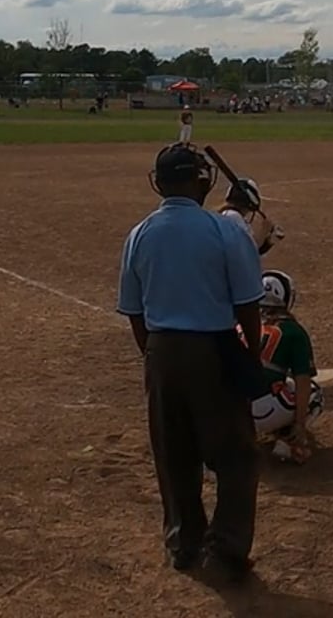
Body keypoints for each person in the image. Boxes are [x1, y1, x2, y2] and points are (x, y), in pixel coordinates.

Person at [116, 144, 266, 581]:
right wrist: (250, 356)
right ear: (202, 182)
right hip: (214, 347)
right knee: (236, 454)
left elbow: (134, 312)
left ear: (159, 183)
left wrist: (154, 355)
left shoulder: (140, 233)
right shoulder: (224, 231)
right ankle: (226, 549)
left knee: (174, 453)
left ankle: (184, 542)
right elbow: (248, 304)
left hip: (161, 350)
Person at [251, 270, 324, 464]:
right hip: (262, 411)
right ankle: (288, 442)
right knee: (314, 393)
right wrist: (300, 424)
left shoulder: (240, 321)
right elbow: (303, 381)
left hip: (229, 409)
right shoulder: (293, 331)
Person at [218, 177, 282, 256]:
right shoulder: (233, 216)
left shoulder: (230, 215)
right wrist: (264, 230)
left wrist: (269, 242)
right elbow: (250, 249)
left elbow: (252, 254)